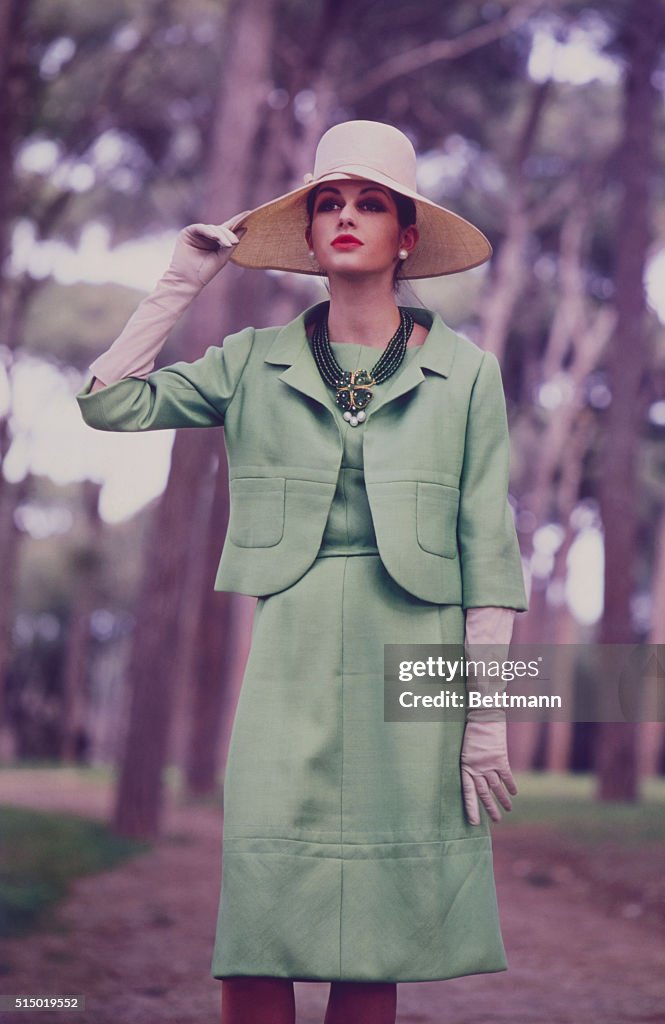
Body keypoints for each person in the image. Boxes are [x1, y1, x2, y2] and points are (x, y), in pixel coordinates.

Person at [76, 120, 528, 1024]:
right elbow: (107, 402)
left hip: (421, 655)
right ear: (311, 236)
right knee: (263, 915)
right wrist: (182, 280)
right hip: (290, 655)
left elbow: (491, 552)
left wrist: (487, 717)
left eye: (372, 204)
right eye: (329, 204)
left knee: (379, 939)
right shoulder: (251, 362)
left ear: (407, 237)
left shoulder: (469, 374)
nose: (347, 217)